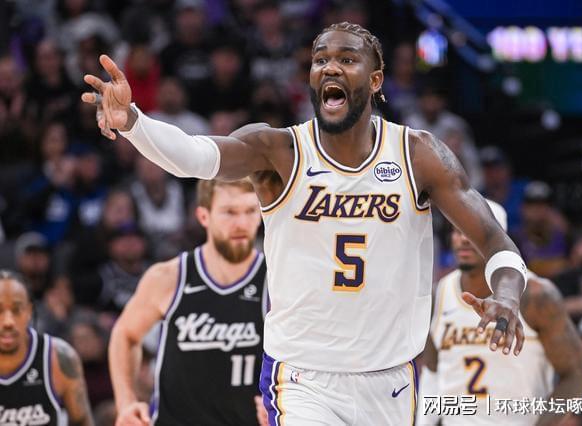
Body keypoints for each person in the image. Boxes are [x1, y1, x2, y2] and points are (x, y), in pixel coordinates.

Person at [84, 22, 529, 424]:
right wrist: (134, 122)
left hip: (391, 378)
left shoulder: (417, 155)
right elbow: (195, 157)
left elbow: (495, 239)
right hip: (302, 378)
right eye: (320, 60)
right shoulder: (278, 151)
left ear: (375, 80)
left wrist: (507, 295)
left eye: (347, 59)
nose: (330, 67)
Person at [108, 178, 267, 426]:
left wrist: (283, 402)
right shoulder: (169, 277)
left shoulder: (275, 281)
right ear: (204, 216)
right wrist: (126, 402)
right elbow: (125, 334)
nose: (242, 223)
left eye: (250, 211)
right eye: (229, 212)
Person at [419, 201, 582, 426]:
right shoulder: (439, 293)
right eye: (457, 230)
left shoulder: (537, 295)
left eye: (473, 232)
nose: (463, 239)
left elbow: (574, 375)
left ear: (499, 241)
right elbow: (432, 371)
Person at [0, 269, 94, 426]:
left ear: (29, 311)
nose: (8, 322)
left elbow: (82, 421)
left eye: (17, 310)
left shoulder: (59, 356)